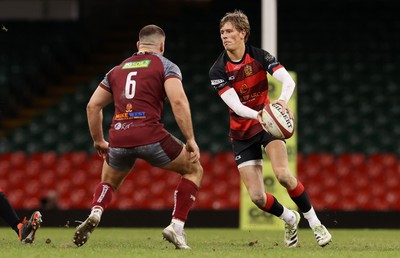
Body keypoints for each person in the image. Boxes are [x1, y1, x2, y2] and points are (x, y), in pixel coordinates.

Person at [73, 24, 203, 250]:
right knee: (194, 170)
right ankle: (176, 227)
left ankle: (96, 212)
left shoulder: (116, 70)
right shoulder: (166, 66)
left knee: (108, 182)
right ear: (162, 45)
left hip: (119, 138)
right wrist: (190, 139)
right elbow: (179, 101)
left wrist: (98, 140)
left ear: (138, 45)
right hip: (151, 136)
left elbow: (92, 106)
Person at [209, 10, 332, 248]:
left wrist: (282, 101)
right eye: (222, 32)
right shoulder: (217, 70)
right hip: (242, 133)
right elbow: (234, 104)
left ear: (243, 33)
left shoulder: (259, 56)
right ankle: (289, 217)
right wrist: (259, 115)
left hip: (268, 127)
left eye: (229, 31)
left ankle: (316, 223)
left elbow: (288, 81)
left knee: (284, 175)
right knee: (256, 196)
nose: (224, 36)